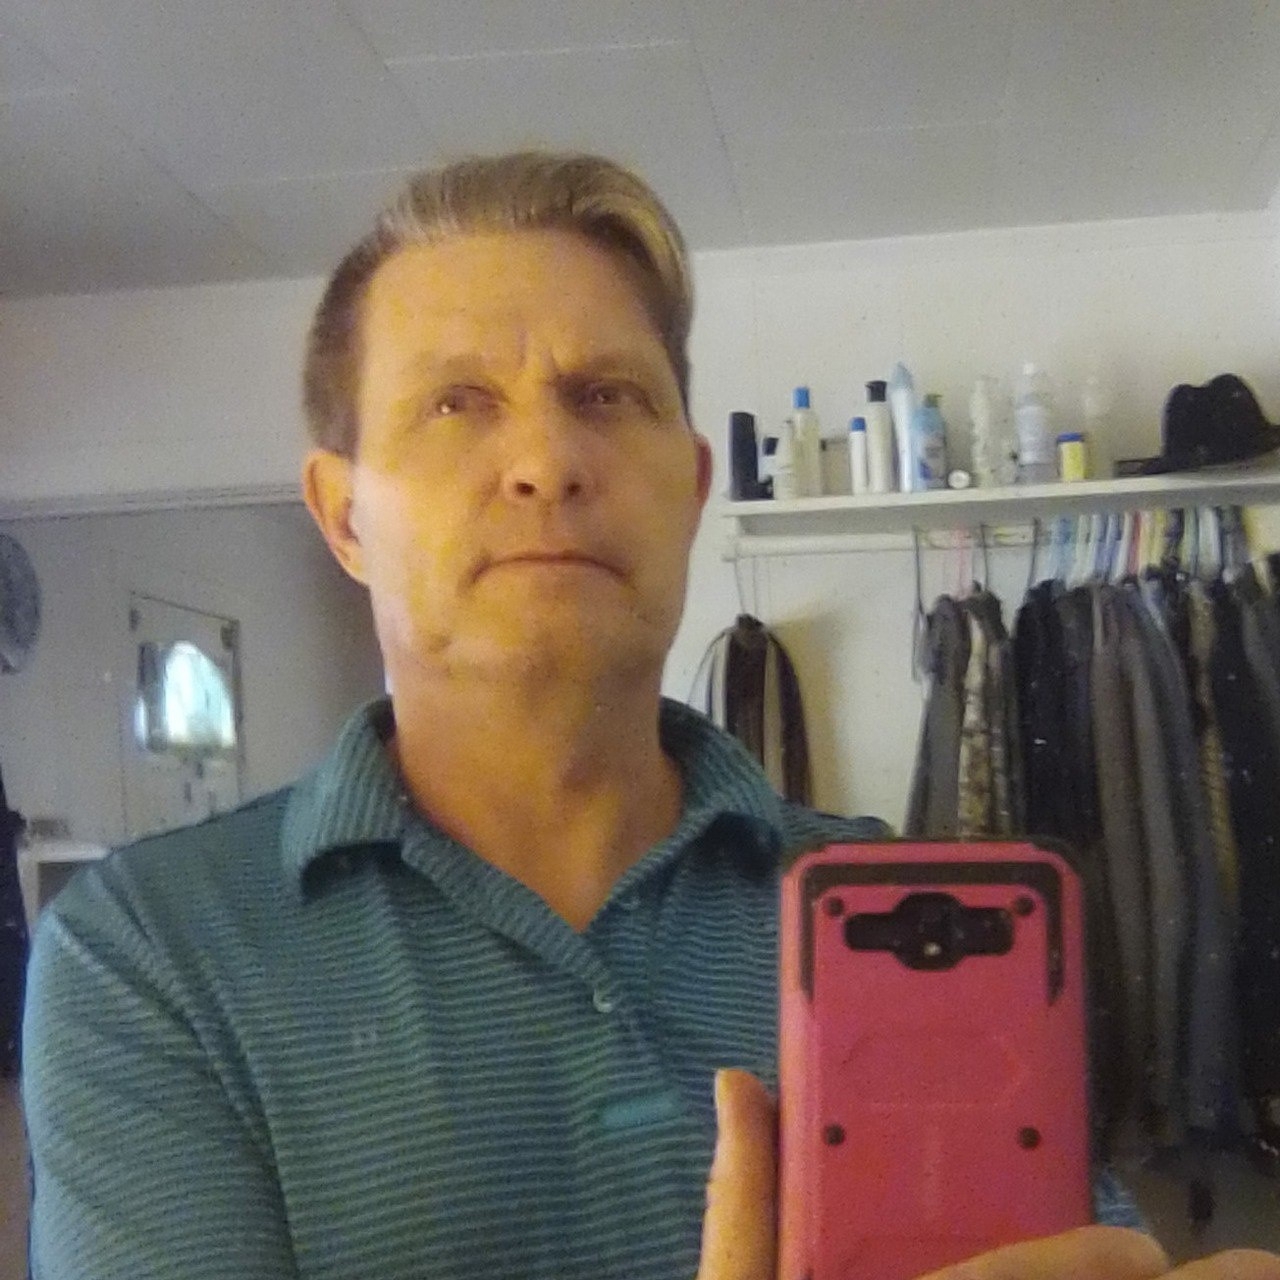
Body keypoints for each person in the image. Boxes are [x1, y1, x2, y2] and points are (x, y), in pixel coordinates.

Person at [20, 151, 1280, 1280]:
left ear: (688, 488)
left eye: (605, 395)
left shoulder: (881, 908)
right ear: (344, 515)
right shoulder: (148, 958)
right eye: (455, 402)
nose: (545, 461)